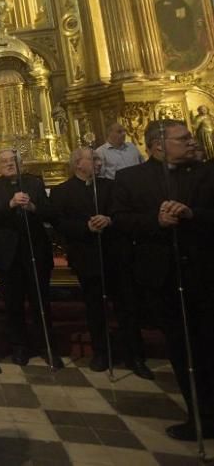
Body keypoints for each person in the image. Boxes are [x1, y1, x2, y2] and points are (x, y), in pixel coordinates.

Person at [112, 120, 214, 441]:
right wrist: (155, 221)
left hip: (205, 270)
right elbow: (121, 220)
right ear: (158, 145)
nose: (191, 142)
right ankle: (201, 415)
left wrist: (192, 214)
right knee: (182, 348)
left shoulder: (206, 173)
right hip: (163, 276)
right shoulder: (131, 178)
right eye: (182, 139)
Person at [50, 148, 150, 377]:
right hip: (86, 256)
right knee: (94, 307)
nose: (99, 163)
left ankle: (135, 355)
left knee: (126, 307)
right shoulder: (61, 191)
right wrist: (85, 227)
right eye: (94, 159)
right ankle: (101, 352)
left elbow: (124, 213)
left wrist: (110, 219)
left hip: (115, 254)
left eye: (99, 160)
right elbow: (59, 223)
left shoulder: (112, 186)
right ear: (78, 164)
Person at [0, 149, 60, 368]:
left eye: (13, 161)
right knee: (13, 303)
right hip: (6, 254)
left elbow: (50, 212)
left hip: (35, 250)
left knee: (40, 302)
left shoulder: (33, 183)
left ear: (20, 163)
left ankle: (47, 347)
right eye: (4, 162)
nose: (9, 164)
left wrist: (33, 207)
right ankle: (19, 347)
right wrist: (11, 205)